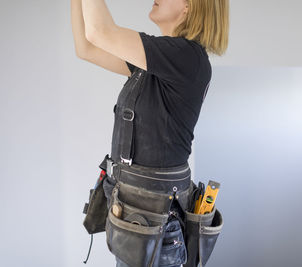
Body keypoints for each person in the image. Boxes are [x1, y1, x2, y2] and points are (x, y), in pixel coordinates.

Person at [71, 0, 229, 266]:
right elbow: (87, 47)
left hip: (153, 226)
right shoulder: (159, 63)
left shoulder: (186, 57)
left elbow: (100, 31)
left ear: (189, 6)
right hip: (137, 222)